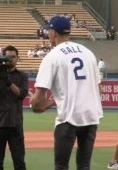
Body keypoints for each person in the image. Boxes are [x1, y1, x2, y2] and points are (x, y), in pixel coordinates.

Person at [29, 16, 103, 170]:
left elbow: (37, 100)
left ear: (54, 33)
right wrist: (56, 100)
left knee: (61, 166)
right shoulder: (88, 53)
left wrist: (36, 105)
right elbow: (98, 89)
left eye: (49, 30)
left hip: (68, 119)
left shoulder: (53, 56)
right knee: (84, 165)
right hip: (91, 117)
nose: (48, 34)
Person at [0, 45, 29, 170]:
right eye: (8, 56)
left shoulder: (22, 76)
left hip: (15, 124)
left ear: (17, 59)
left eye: (13, 57)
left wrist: (8, 82)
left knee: (19, 162)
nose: (10, 59)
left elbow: (22, 94)